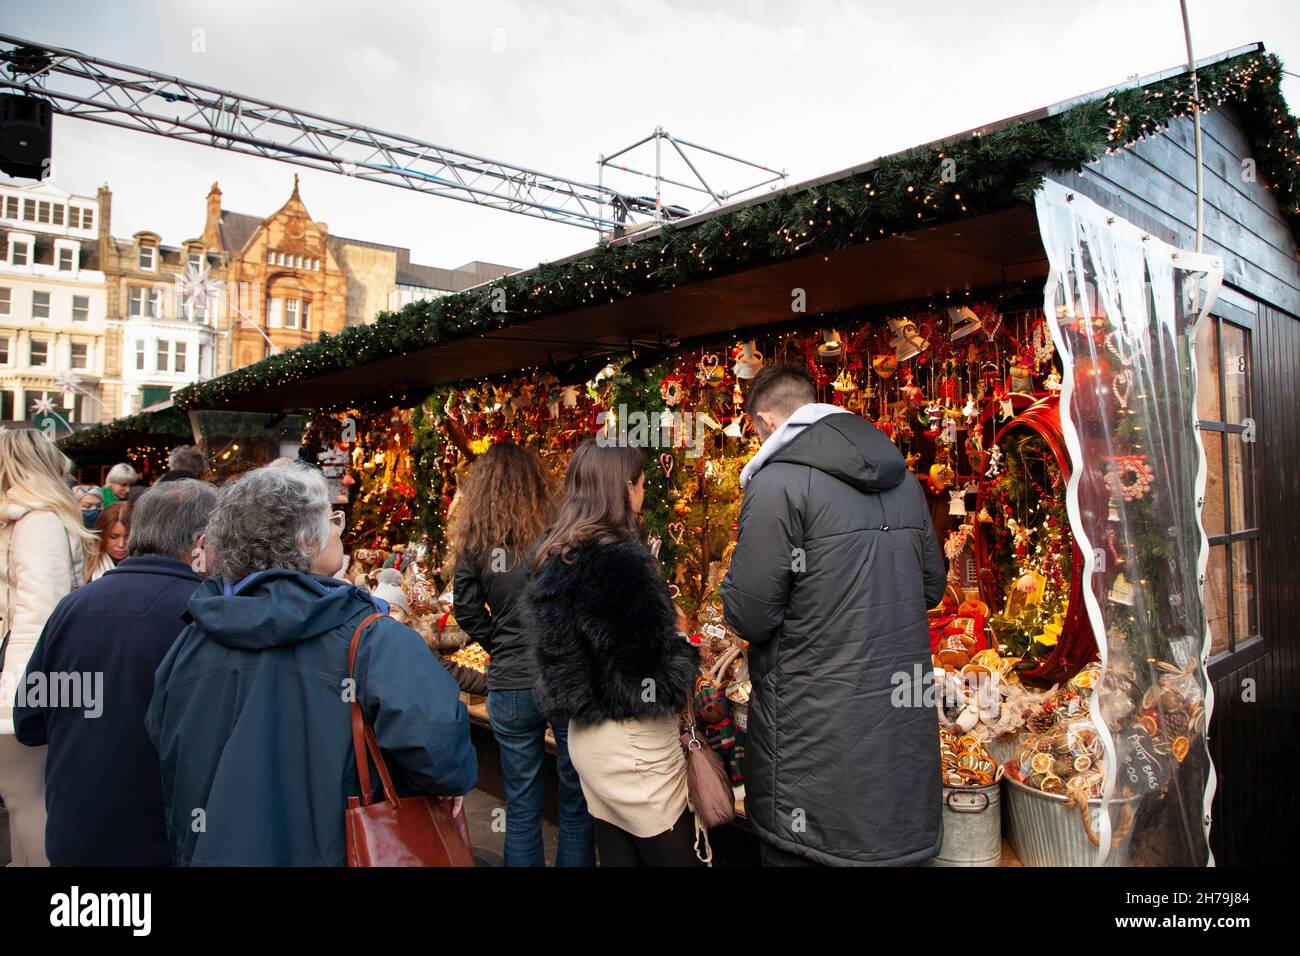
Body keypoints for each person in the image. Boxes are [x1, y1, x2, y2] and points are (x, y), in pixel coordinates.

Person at [146, 462, 477, 866]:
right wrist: (446, 780)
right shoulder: (371, 636)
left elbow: (164, 742)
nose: (340, 528)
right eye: (332, 518)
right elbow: (440, 748)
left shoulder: (193, 638)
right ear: (305, 539)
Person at [721, 364, 947, 867]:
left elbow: (751, 615)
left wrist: (729, 587)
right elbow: (932, 588)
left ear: (764, 421)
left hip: (812, 754)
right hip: (900, 761)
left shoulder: (777, 483)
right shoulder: (904, 481)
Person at [14, 480, 217, 866]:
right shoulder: (204, 612)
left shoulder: (73, 608)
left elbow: (31, 721)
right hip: (166, 843)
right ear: (202, 543)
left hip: (76, 837)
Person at [526, 441, 702, 867]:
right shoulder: (620, 563)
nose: (644, 495)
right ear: (627, 489)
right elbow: (647, 684)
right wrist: (681, 640)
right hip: (634, 748)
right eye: (642, 484)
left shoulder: (558, 556)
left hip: (588, 742)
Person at [451, 441, 593, 868]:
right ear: (536, 482)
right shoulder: (557, 531)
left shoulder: (477, 541)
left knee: (522, 808)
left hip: (510, 685)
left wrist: (499, 643)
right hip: (561, 678)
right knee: (576, 803)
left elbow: (465, 608)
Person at [0, 429, 94, 866]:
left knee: (27, 798)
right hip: (38, 679)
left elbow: (40, 618)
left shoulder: (36, 522)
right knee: (23, 797)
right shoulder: (32, 518)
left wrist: (14, 700)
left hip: (33, 682)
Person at [85, 501, 132, 582]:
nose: (121, 544)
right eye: (113, 537)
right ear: (102, 535)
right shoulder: (85, 563)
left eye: (128, 537)